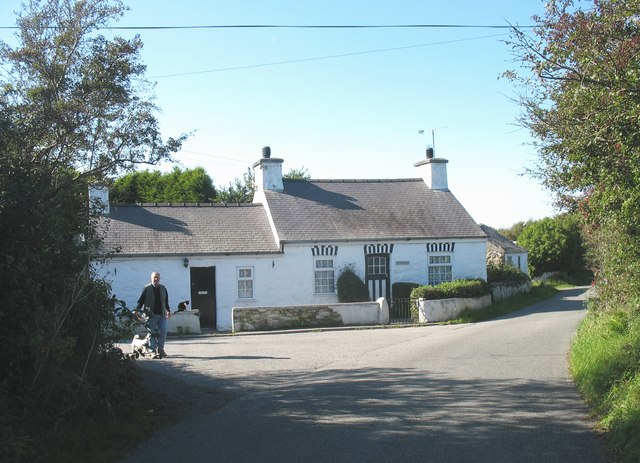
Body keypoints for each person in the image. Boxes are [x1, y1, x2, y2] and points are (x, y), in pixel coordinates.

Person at [135, 271, 171, 359]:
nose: (156, 279)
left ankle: (161, 349)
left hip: (162, 314)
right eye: (154, 277)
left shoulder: (163, 288)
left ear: (159, 278)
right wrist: (137, 310)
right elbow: (141, 301)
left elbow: (166, 301)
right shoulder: (147, 288)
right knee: (152, 333)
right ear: (151, 278)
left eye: (157, 277)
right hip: (151, 315)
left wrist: (168, 311)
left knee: (163, 331)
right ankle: (152, 351)